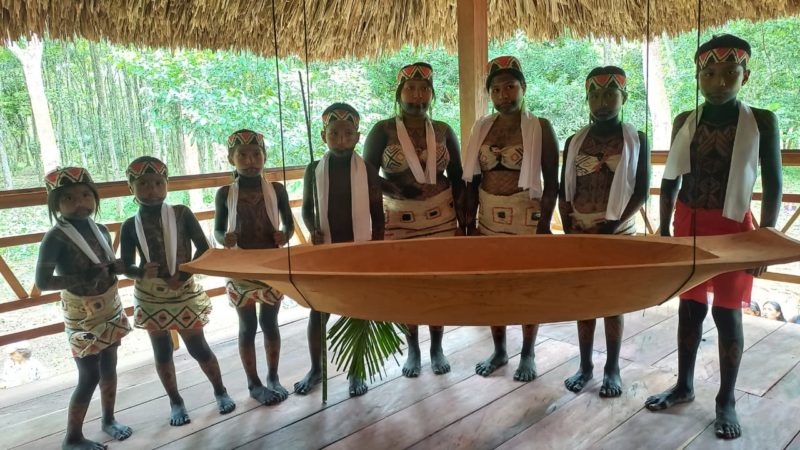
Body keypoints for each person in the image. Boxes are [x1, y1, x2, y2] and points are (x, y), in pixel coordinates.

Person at [645, 34, 782, 440]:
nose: (719, 82)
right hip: (688, 225)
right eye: (709, 74)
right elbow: (671, 179)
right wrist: (665, 229)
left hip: (735, 229)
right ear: (697, 76)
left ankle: (726, 400)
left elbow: (774, 184)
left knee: (727, 313)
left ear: (746, 75)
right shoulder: (685, 120)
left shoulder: (762, 121)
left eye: (729, 73)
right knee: (689, 310)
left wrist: (766, 241)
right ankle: (684, 385)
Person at [363, 62, 465, 377]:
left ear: (431, 94)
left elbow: (458, 175)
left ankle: (436, 346)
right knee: (407, 285)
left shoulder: (444, 130)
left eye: (424, 89)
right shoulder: (382, 130)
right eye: (410, 88)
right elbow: (365, 174)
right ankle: (413, 349)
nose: (417, 95)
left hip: (441, 217)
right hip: (400, 218)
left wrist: (465, 222)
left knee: (438, 284)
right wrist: (395, 188)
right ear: (399, 93)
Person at [462, 55, 559, 382]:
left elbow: (552, 181)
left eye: (510, 87)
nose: (504, 95)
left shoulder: (540, 127)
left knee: (527, 286)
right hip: (489, 217)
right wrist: (469, 223)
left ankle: (528, 352)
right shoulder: (481, 128)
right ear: (489, 94)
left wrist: (544, 225)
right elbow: (472, 179)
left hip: (526, 216)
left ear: (523, 88)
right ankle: (500, 350)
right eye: (496, 90)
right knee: (493, 286)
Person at [121, 157, 235, 426]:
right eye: (143, 184)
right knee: (162, 352)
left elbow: (204, 249)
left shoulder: (182, 213)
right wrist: (140, 272)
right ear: (131, 188)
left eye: (158, 183)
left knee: (199, 347)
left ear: (167, 184)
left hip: (183, 288)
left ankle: (220, 391)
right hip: (151, 294)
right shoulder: (129, 225)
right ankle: (175, 401)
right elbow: (126, 266)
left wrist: (182, 275)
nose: (152, 189)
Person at [559, 66, 650, 396]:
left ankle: (612, 368)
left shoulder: (637, 140)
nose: (602, 102)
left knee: (613, 303)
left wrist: (612, 226)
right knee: (584, 302)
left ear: (624, 97)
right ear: (587, 99)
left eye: (610, 94)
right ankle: (585, 365)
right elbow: (564, 190)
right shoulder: (575, 141)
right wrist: (568, 227)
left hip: (618, 230)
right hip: (581, 229)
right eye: (595, 95)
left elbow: (641, 191)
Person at [35, 167, 133, 449]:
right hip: (81, 314)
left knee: (110, 367)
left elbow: (107, 268)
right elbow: (43, 282)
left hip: (109, 306)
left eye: (85, 195)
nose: (80, 203)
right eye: (69, 198)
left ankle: (108, 420)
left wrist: (117, 268)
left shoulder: (100, 230)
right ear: (56, 204)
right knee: (89, 375)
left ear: (95, 197)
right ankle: (73, 437)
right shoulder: (55, 237)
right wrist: (82, 277)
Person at [294, 103, 385, 397]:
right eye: (334, 133)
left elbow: (377, 213)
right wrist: (312, 229)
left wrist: (377, 248)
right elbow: (307, 209)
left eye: (347, 133)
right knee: (317, 310)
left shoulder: (367, 170)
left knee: (358, 311)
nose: (341, 139)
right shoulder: (313, 170)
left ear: (357, 136)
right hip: (327, 252)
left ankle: (356, 370)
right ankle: (316, 368)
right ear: (324, 136)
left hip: (360, 251)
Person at [214, 130, 295, 405]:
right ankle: (253, 383)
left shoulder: (277, 190)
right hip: (240, 268)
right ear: (231, 159)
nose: (250, 161)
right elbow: (217, 229)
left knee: (270, 323)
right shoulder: (225, 193)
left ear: (265, 156)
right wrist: (223, 239)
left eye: (256, 154)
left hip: (271, 266)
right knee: (247, 326)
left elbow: (289, 224)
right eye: (243, 155)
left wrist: (285, 235)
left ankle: (273, 376)